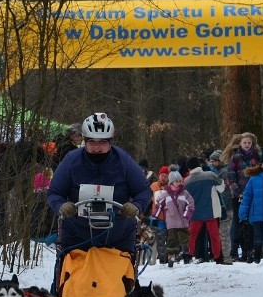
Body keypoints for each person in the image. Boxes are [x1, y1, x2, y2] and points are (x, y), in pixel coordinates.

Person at [47, 113, 152, 255]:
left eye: (102, 143)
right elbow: (54, 192)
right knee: (70, 275)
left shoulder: (124, 162)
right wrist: (61, 206)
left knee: (120, 275)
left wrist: (137, 206)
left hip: (118, 237)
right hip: (77, 236)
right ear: (84, 141)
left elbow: (143, 190)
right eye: (92, 143)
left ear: (110, 141)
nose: (97, 148)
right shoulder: (71, 161)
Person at [224, 132, 263, 261]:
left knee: (252, 221)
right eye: (245, 143)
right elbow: (231, 176)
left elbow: (261, 172)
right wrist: (237, 192)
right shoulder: (236, 157)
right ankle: (235, 249)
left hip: (254, 193)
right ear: (241, 144)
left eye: (249, 143)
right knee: (238, 221)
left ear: (252, 144)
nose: (247, 145)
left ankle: (251, 249)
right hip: (239, 194)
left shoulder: (257, 156)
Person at [184, 156, 231, 265]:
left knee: (192, 236)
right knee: (214, 235)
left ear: (189, 169)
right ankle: (218, 257)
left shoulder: (186, 181)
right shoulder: (210, 175)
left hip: (195, 214)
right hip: (211, 211)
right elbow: (221, 188)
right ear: (199, 165)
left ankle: (188, 255)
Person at [152, 171, 194, 267]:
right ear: (171, 182)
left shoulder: (184, 193)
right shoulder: (165, 194)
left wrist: (187, 215)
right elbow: (158, 205)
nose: (179, 183)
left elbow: (191, 204)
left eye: (180, 181)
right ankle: (171, 257)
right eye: (177, 181)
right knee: (172, 240)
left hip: (183, 221)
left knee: (184, 239)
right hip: (171, 222)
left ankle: (186, 254)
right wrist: (155, 216)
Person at [208, 150, 233, 261]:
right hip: (218, 207)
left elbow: (226, 191)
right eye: (211, 161)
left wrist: (224, 205)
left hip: (226, 207)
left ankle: (226, 257)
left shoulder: (224, 173)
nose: (211, 163)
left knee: (224, 233)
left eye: (214, 161)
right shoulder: (215, 173)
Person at [149, 166, 170, 264]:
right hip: (158, 217)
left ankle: (170, 258)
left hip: (170, 217)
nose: (163, 178)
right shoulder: (153, 186)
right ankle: (162, 260)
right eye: (162, 175)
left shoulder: (171, 187)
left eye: (165, 176)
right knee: (160, 239)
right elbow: (149, 200)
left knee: (170, 239)